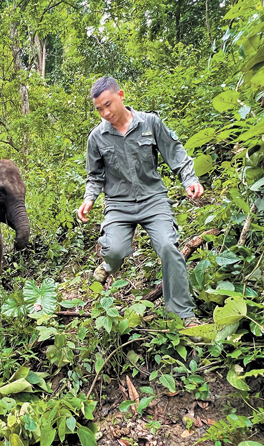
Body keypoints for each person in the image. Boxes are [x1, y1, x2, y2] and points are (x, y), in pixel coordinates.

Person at [77, 76, 204, 327]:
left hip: (152, 199)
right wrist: (89, 198)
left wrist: (189, 179)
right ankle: (107, 266)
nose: (105, 113)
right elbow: (94, 176)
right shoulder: (97, 138)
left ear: (121, 95)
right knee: (114, 251)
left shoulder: (150, 123)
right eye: (99, 109)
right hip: (118, 204)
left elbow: (175, 153)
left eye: (108, 104)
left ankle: (183, 315)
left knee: (168, 247)